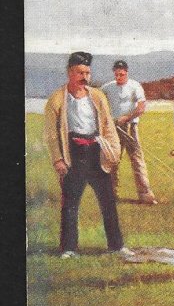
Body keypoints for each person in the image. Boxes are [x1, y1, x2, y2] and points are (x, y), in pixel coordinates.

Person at [43, 51, 131, 259]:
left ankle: (116, 246)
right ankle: (69, 248)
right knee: (70, 203)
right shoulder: (57, 99)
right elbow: (51, 135)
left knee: (108, 201)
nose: (84, 77)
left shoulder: (97, 96)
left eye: (87, 72)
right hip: (73, 153)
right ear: (70, 73)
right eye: (80, 72)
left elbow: (108, 126)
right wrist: (58, 159)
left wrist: (113, 153)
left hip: (96, 153)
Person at [101, 60, 158, 204]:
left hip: (130, 128)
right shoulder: (107, 87)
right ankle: (110, 194)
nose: (119, 77)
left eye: (122, 74)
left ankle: (146, 195)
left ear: (126, 72)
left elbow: (141, 108)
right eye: (116, 74)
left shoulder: (135, 86)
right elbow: (97, 101)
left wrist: (126, 118)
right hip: (114, 129)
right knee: (112, 159)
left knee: (137, 160)